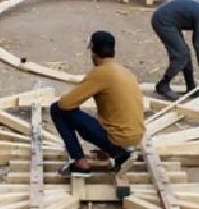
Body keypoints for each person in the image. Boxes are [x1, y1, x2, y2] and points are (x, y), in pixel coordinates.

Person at [50, 30, 145, 176]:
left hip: (119, 138)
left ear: (93, 52)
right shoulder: (125, 71)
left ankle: (81, 163)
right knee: (90, 119)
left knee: (57, 109)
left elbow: (65, 104)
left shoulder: (101, 72)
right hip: (135, 136)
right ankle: (118, 150)